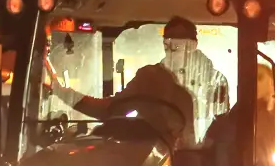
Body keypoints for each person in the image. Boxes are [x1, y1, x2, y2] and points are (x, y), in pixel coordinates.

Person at [45, 16, 201, 149]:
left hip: (194, 161)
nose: (173, 48)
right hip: (156, 159)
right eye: (168, 42)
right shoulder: (149, 77)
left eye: (180, 42)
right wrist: (62, 92)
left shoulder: (208, 78)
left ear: (193, 46)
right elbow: (110, 109)